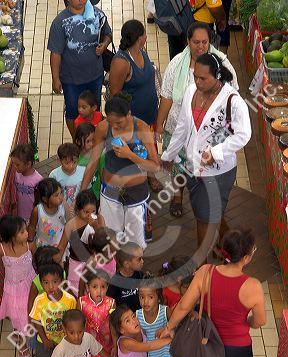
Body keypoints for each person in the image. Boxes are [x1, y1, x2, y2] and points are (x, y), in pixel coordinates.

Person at [161, 228, 266, 357]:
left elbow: (184, 306)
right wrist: (247, 323)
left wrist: (168, 327)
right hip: (238, 352)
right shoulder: (252, 286)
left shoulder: (205, 273)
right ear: (245, 257)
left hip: (209, 345)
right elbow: (260, 321)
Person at [161, 53, 251, 265]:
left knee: (203, 217)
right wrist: (169, 155)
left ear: (217, 76)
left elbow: (243, 134)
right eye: (196, 77)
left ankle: (201, 266)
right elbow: (183, 127)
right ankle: (232, 245)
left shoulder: (233, 101)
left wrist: (217, 153)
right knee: (211, 212)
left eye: (204, 79)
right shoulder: (192, 91)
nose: (198, 82)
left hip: (218, 173)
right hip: (193, 166)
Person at [157, 22, 238, 218]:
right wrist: (159, 125)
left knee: (204, 168)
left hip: (210, 134)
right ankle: (177, 197)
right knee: (178, 166)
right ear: (187, 41)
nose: (200, 46)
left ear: (210, 42)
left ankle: (207, 202)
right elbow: (167, 96)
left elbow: (233, 100)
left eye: (204, 42)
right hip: (179, 128)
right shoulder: (177, 64)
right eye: (196, 42)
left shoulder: (223, 65)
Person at [81, 95, 160, 249]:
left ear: (129, 114)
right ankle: (113, 269)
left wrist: (129, 154)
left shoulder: (142, 128)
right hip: (110, 192)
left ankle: (133, 271)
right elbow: (93, 161)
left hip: (136, 194)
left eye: (119, 123)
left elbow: (155, 166)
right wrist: (82, 191)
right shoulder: (103, 127)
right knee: (109, 240)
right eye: (112, 123)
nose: (115, 127)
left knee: (135, 243)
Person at [109, 19, 162, 193]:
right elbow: (115, 94)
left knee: (149, 146)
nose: (147, 36)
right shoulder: (121, 62)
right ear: (140, 38)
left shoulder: (141, 51)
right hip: (134, 120)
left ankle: (150, 175)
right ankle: (140, 178)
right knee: (136, 149)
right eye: (145, 33)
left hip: (149, 114)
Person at [48, 0, 112, 138]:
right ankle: (77, 140)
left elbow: (108, 34)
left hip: (95, 76)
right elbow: (55, 53)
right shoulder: (60, 22)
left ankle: (94, 138)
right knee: (72, 111)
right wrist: (55, 78)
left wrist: (104, 44)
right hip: (71, 80)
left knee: (94, 110)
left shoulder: (98, 14)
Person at [29, 263, 76, 357]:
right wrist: (45, 339)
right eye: (46, 282)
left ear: (62, 281)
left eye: (55, 282)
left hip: (65, 344)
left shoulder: (69, 300)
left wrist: (67, 342)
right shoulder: (39, 300)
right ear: (41, 283)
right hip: (44, 343)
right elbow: (35, 320)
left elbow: (74, 321)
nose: (50, 286)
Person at [77, 269, 116, 357]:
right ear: (87, 287)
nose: (99, 291)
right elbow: (77, 323)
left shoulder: (111, 303)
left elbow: (113, 325)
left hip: (106, 345)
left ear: (107, 287)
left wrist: (115, 344)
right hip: (88, 346)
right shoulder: (81, 302)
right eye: (95, 287)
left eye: (103, 287)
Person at [0, 215, 36, 357]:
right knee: (15, 319)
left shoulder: (30, 245)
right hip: (13, 290)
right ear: (11, 236)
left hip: (30, 285)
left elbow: (37, 260)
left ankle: (33, 340)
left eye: (25, 230)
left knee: (32, 314)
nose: (26, 233)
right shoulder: (2, 249)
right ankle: (21, 346)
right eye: (22, 232)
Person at [56, 189, 105, 295]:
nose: (90, 215)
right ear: (78, 210)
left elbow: (104, 240)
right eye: (86, 212)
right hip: (76, 268)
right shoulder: (70, 225)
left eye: (93, 211)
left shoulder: (99, 219)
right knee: (76, 295)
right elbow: (61, 247)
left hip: (95, 266)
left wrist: (95, 226)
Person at [28, 178, 68, 247]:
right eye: (56, 195)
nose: (61, 197)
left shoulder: (63, 206)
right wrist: (30, 241)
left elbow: (69, 222)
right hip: (42, 246)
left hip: (59, 244)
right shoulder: (38, 210)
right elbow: (32, 226)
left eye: (61, 193)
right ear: (45, 199)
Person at [49, 142, 87, 213]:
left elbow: (86, 191)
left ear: (78, 159)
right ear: (60, 160)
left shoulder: (84, 171)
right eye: (67, 163)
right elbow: (52, 195)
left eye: (74, 162)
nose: (71, 166)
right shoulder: (54, 175)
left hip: (79, 208)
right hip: (60, 210)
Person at [107, 242, 144, 312]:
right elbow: (109, 303)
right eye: (139, 259)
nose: (143, 261)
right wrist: (113, 317)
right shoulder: (115, 282)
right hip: (124, 320)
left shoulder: (140, 275)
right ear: (127, 264)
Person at [10, 144, 43, 222]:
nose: (15, 166)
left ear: (28, 164)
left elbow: (41, 200)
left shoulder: (38, 180)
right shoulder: (16, 175)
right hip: (19, 214)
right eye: (14, 164)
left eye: (17, 164)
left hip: (32, 216)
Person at [75, 122, 105, 202]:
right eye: (88, 141)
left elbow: (103, 176)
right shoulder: (75, 158)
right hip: (81, 193)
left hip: (96, 195)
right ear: (78, 142)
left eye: (93, 140)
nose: (92, 144)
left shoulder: (101, 155)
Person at [28, 245, 61, 315]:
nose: (62, 264)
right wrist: (32, 321)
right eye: (58, 263)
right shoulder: (36, 282)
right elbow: (30, 304)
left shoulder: (62, 274)